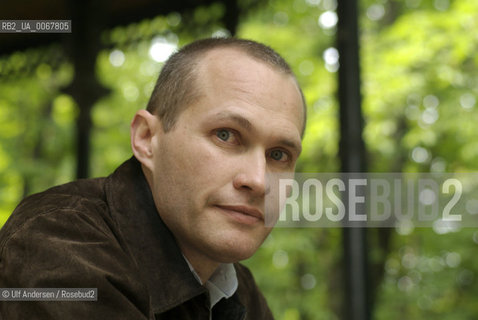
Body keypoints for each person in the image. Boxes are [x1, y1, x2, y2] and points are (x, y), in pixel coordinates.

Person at [0, 37, 306, 319]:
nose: (258, 180)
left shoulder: (239, 289)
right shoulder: (57, 242)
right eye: (226, 135)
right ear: (147, 139)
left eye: (278, 155)